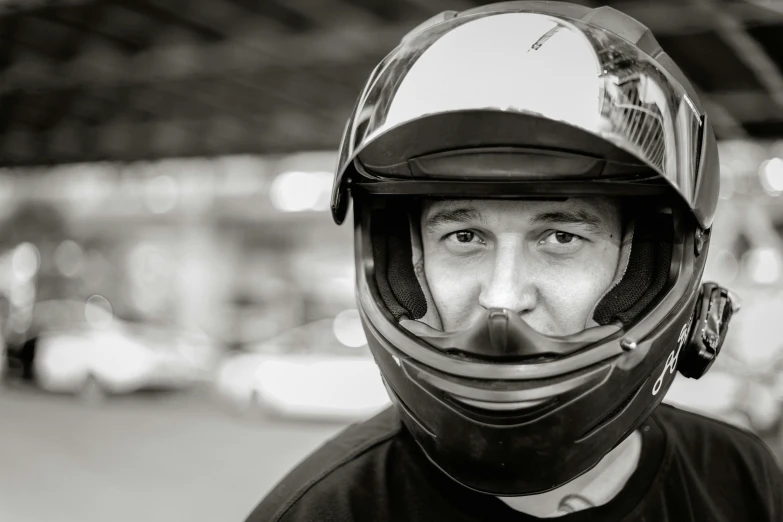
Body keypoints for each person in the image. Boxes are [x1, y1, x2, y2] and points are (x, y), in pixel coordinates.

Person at [246, 2, 783, 520]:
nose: (503, 297)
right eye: (463, 236)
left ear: (650, 261)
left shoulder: (741, 476)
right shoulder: (323, 511)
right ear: (403, 266)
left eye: (560, 237)